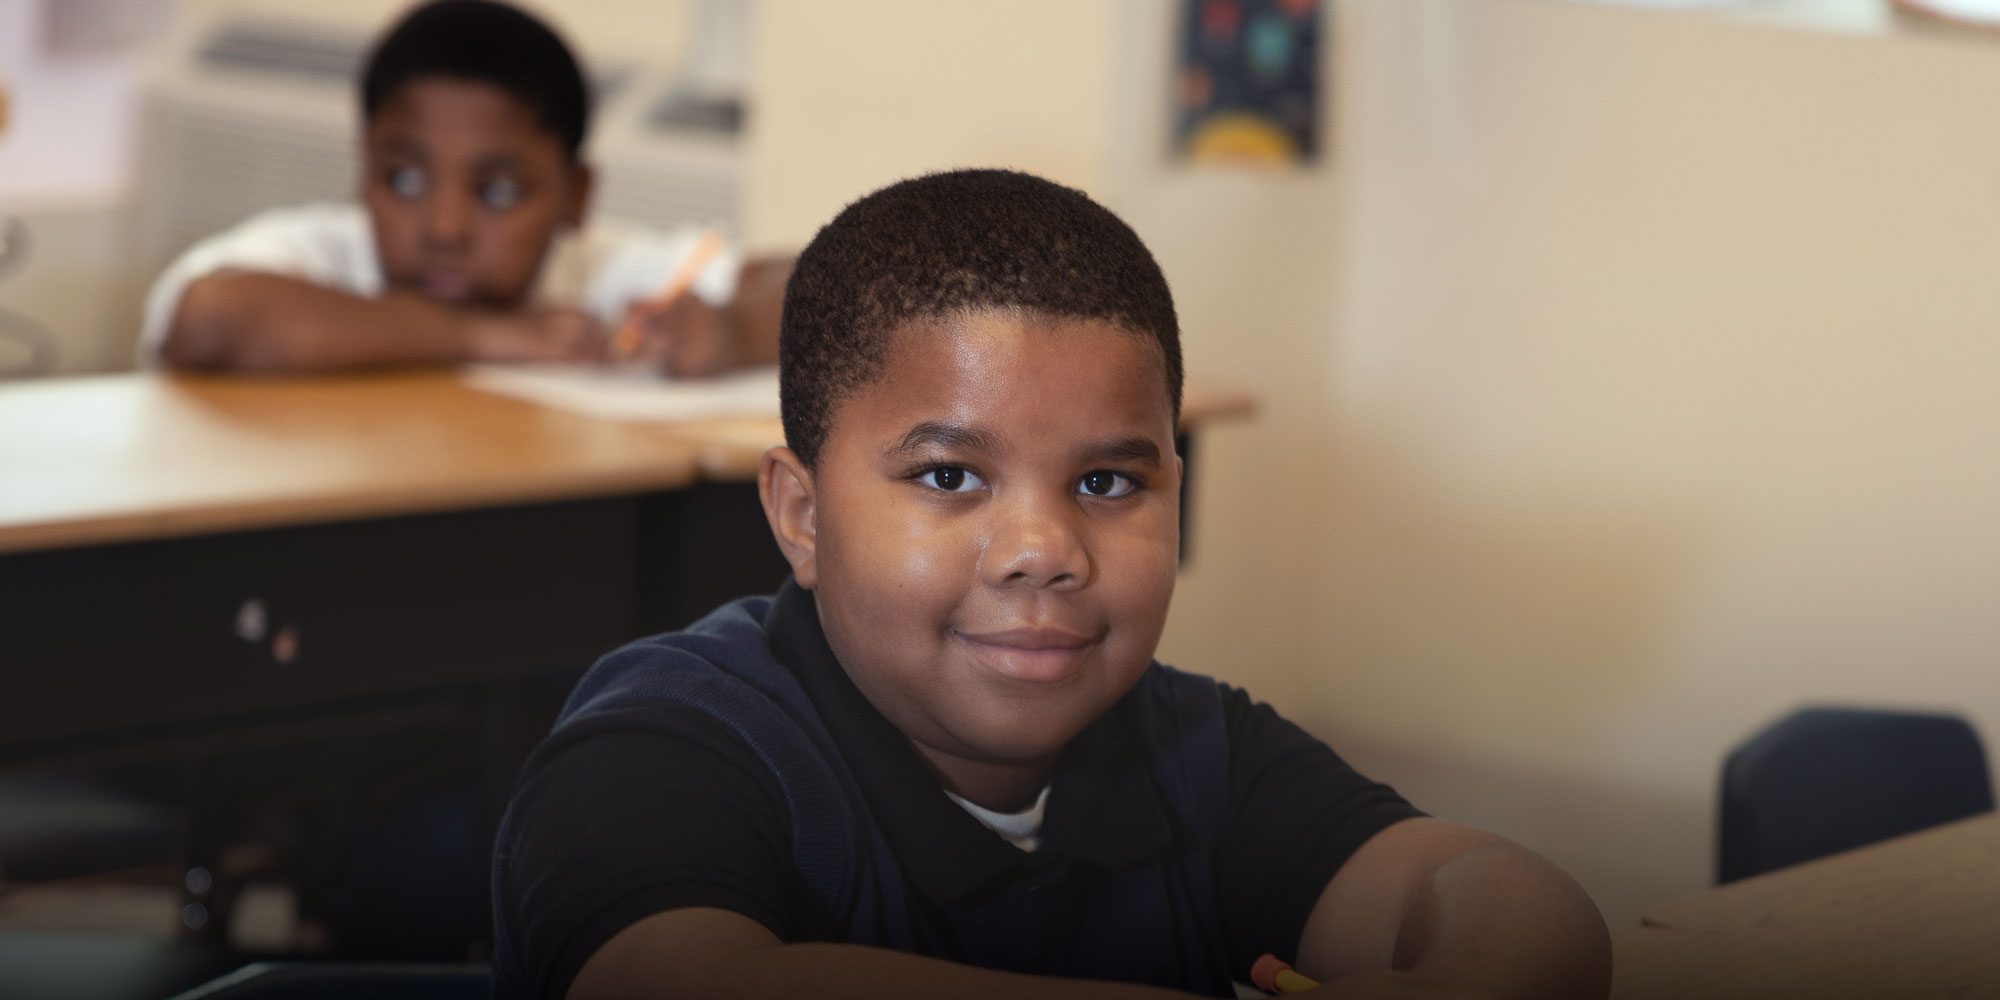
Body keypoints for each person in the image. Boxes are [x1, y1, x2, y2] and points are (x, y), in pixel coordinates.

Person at [492, 169, 1612, 999]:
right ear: (802, 514)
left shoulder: (1193, 754)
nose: (1044, 547)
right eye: (947, 475)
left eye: (1106, 480)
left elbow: (1487, 890)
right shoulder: (669, 741)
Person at [139, 0, 786, 377]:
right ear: (362, 172)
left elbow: (804, 287)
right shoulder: (323, 254)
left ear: (576, 196)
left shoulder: (594, 275)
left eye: (499, 192)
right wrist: (482, 336)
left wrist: (732, 331)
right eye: (405, 179)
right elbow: (209, 321)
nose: (444, 227)